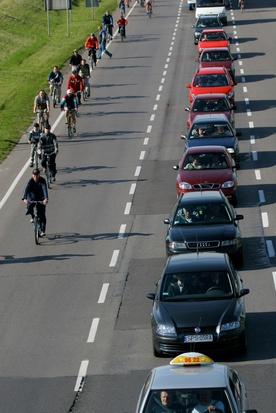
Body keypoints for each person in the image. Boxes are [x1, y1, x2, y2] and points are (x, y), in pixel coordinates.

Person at [22, 168, 48, 236]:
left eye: (37, 175)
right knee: (29, 206)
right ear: (32, 175)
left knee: (42, 214)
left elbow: (44, 189)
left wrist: (46, 198)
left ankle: (42, 230)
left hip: (40, 198)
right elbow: (26, 190)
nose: (35, 177)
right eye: (34, 175)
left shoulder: (42, 181)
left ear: (39, 175)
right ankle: (32, 216)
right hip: (32, 198)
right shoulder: (30, 181)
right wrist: (24, 198)